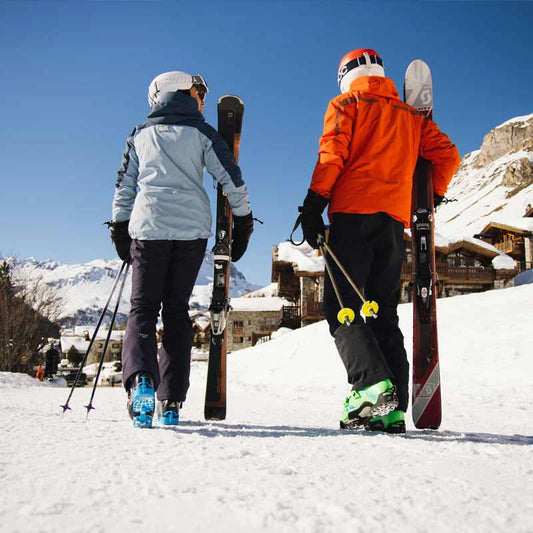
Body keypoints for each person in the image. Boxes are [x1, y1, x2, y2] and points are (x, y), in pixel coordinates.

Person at [300, 49, 460, 433]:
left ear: (345, 75)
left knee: (342, 308)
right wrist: (430, 197)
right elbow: (449, 157)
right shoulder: (410, 117)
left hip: (352, 218)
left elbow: (332, 155)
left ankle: (371, 390)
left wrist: (313, 204)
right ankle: (392, 407)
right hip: (392, 223)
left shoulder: (347, 103)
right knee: (381, 311)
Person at [110, 71, 253, 428]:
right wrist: (245, 219)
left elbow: (124, 185)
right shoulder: (203, 134)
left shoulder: (140, 135)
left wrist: (119, 227)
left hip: (150, 229)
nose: (202, 99)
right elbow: (230, 177)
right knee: (176, 311)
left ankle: (141, 381)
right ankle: (171, 399)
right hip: (192, 233)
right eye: (198, 92)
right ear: (178, 92)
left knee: (142, 309)